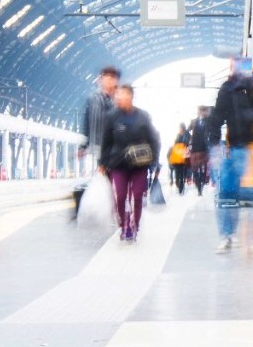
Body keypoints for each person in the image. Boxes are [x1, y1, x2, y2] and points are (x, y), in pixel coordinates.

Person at [209, 69, 253, 254]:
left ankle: (243, 238)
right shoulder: (226, 89)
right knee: (227, 192)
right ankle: (227, 234)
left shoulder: (251, 88)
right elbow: (216, 117)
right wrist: (215, 144)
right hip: (230, 148)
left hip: (247, 147)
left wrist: (252, 115)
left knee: (246, 194)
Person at [99, 85, 160, 242]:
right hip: (118, 164)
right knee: (119, 196)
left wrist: (154, 161)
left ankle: (134, 225)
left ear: (131, 96)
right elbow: (106, 141)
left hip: (139, 164)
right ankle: (123, 225)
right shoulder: (111, 116)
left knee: (137, 195)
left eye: (123, 95)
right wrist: (102, 162)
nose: (119, 97)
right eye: (117, 95)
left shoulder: (143, 116)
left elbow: (154, 139)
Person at [79, 66, 119, 175]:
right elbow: (87, 123)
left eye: (112, 78)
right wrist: (83, 146)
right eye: (106, 77)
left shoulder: (120, 99)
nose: (109, 81)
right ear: (100, 80)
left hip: (118, 146)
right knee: (105, 174)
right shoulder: (92, 99)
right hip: (100, 145)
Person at [188, 106, 210, 196]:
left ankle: (203, 183)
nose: (203, 113)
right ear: (199, 112)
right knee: (195, 169)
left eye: (205, 111)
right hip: (195, 149)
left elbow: (211, 131)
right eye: (202, 111)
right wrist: (189, 141)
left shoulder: (208, 122)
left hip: (204, 149)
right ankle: (198, 187)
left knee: (204, 170)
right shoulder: (193, 121)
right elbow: (187, 131)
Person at [168, 123, 190, 195]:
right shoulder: (179, 135)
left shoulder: (186, 134)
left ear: (182, 128)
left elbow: (187, 144)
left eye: (180, 128)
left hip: (183, 156)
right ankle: (179, 183)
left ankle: (181, 185)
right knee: (178, 172)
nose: (179, 129)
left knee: (182, 172)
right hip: (178, 157)